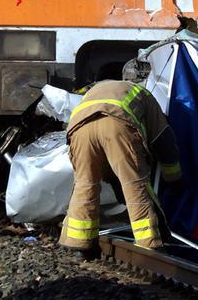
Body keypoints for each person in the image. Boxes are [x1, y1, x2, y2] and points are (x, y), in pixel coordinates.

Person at [59, 80, 182, 255]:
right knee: (134, 185)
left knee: (85, 185)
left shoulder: (95, 91)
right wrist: (174, 176)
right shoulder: (145, 95)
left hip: (79, 129)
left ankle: (79, 243)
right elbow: (162, 140)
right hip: (117, 124)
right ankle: (149, 243)